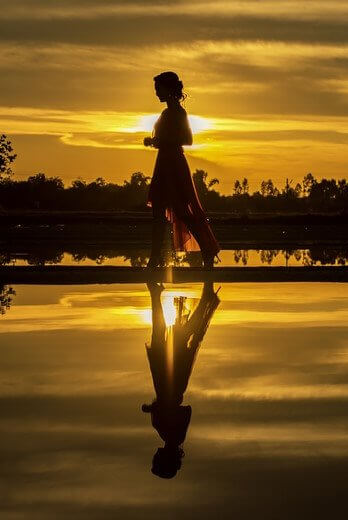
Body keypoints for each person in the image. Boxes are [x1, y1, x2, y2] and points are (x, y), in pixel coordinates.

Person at [142, 280, 221, 478]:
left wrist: (155, 407)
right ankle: (204, 298)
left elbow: (183, 411)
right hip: (172, 384)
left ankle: (159, 294)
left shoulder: (172, 437)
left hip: (168, 385)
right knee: (169, 338)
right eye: (156, 460)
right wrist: (159, 407)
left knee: (165, 338)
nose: (154, 456)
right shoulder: (174, 436)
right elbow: (185, 410)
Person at [144, 71, 221, 269]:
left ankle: (207, 249)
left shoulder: (178, 113)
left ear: (168, 89)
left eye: (158, 89)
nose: (156, 93)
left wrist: (160, 141)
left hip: (174, 164)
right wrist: (155, 142)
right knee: (158, 214)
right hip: (164, 162)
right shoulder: (167, 113)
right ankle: (154, 260)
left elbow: (188, 139)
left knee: (182, 211)